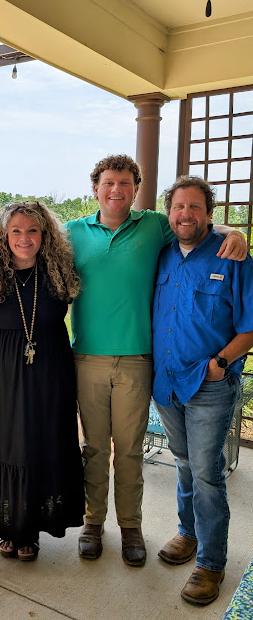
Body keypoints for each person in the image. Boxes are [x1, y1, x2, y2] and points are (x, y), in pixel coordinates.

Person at [65, 155, 247, 566]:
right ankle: (93, 523)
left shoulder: (153, 226)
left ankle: (131, 526)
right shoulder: (73, 232)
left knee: (131, 451)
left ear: (136, 190)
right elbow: (27, 248)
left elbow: (196, 226)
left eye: (125, 183)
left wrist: (234, 231)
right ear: (95, 188)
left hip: (138, 360)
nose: (116, 190)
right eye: (108, 182)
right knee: (94, 448)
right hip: (88, 358)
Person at [152, 176, 253, 605]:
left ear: (210, 213)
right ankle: (188, 533)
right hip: (167, 380)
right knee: (183, 462)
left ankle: (211, 563)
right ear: (168, 212)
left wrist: (220, 364)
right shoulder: (161, 254)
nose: (186, 214)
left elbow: (250, 326)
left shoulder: (234, 257)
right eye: (178, 206)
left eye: (195, 206)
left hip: (209, 385)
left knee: (207, 473)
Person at [0, 201, 84, 560]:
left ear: (45, 234)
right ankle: (10, 527)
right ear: (3, 235)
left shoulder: (58, 271)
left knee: (40, 442)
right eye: (16, 230)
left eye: (33, 230)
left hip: (49, 371)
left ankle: (30, 530)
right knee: (5, 445)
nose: (24, 238)